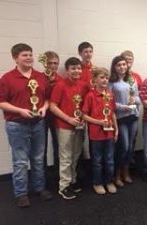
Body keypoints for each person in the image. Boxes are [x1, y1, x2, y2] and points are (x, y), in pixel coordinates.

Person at [0, 43, 53, 208]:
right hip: (16, 125)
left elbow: (48, 98)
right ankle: (21, 194)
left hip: (38, 123)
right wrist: (20, 110)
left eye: (30, 54)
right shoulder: (7, 78)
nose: (29, 58)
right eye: (24, 55)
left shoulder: (41, 77)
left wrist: (43, 108)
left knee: (38, 158)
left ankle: (40, 188)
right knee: (20, 161)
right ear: (15, 58)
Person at [50, 57, 89, 199]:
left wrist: (82, 120)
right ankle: (64, 186)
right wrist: (68, 119)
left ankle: (73, 180)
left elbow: (86, 105)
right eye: (73, 68)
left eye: (78, 68)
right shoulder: (60, 85)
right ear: (67, 70)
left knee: (76, 154)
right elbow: (52, 106)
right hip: (64, 126)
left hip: (79, 126)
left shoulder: (84, 85)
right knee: (66, 157)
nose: (76, 71)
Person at [82, 67, 118, 195]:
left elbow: (112, 113)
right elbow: (84, 115)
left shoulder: (110, 94)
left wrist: (116, 129)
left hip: (109, 133)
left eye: (106, 78)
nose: (105, 80)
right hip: (96, 134)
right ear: (94, 80)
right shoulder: (90, 96)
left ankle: (109, 181)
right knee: (97, 161)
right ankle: (97, 183)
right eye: (102, 77)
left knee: (109, 160)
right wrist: (99, 122)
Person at [109, 56, 141, 187]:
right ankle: (116, 174)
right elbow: (109, 103)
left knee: (130, 148)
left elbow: (138, 97)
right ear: (114, 67)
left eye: (124, 64)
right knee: (124, 147)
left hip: (133, 116)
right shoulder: (111, 83)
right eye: (119, 65)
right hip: (120, 118)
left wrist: (135, 101)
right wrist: (124, 107)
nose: (122, 67)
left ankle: (126, 172)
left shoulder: (132, 80)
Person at [41, 51, 62, 181]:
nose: (53, 66)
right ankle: (42, 176)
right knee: (41, 147)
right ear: (45, 64)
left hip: (56, 116)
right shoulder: (38, 78)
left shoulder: (61, 79)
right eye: (50, 63)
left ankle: (58, 173)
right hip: (42, 116)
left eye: (55, 63)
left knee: (58, 145)